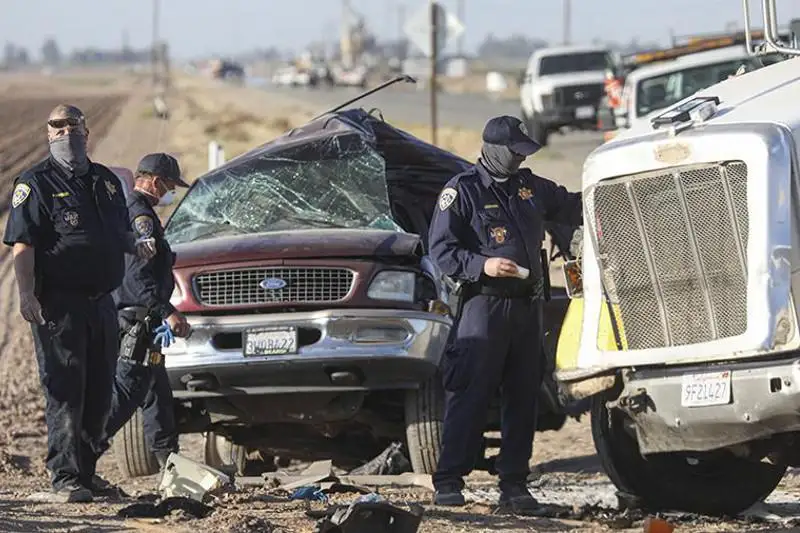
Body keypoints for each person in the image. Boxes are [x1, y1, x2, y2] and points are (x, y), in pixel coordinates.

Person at [428, 115, 582, 514]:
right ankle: (449, 481)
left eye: (523, 153)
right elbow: (442, 251)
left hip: (528, 308)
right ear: (495, 149)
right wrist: (483, 266)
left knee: (523, 396)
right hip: (485, 306)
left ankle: (514, 485)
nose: (519, 159)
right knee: (471, 393)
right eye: (514, 152)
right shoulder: (461, 192)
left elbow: (571, 205)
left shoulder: (531, 187)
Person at [3, 104, 156, 503]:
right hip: (59, 305)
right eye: (57, 126)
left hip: (102, 303)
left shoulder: (105, 181)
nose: (65, 132)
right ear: (48, 133)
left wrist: (136, 245)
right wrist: (26, 295)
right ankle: (65, 477)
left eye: (72, 125)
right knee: (66, 390)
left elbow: (119, 231)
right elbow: (24, 244)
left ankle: (87, 474)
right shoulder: (34, 183)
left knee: (100, 391)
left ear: (85, 132)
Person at [84, 153, 191, 487]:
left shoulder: (136, 213)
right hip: (138, 322)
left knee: (157, 393)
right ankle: (81, 460)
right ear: (155, 181)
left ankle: (169, 462)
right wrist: (167, 312)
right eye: (170, 186)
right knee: (126, 393)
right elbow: (137, 281)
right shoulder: (140, 216)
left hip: (146, 327)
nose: (170, 192)